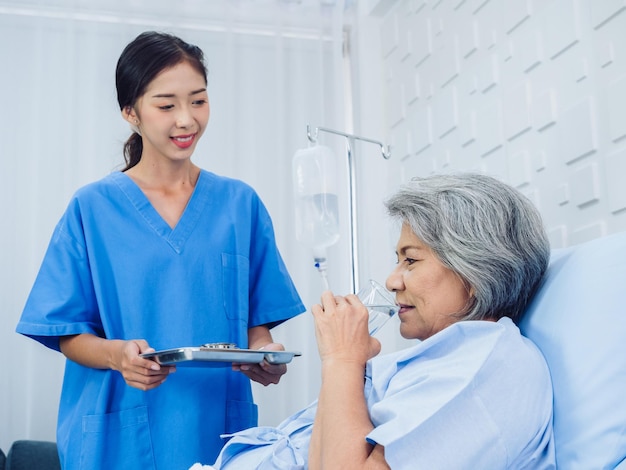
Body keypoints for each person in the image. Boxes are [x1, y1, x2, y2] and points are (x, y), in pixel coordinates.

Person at [16, 31, 305, 469]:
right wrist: (118, 356)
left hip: (217, 427)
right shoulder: (92, 208)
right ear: (131, 113)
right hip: (118, 438)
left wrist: (264, 355)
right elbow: (66, 330)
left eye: (199, 101)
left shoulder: (239, 204)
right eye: (166, 105)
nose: (186, 120)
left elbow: (256, 324)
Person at [190, 172, 556, 469]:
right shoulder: (447, 360)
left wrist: (342, 362)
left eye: (410, 260)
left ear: (474, 274)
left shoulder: (486, 371)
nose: (393, 280)